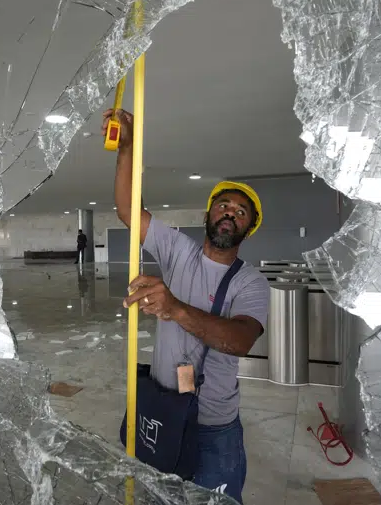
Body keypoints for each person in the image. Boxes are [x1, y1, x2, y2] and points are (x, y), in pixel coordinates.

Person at [103, 108, 269, 503]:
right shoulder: (178, 250)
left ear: (248, 228)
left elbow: (241, 339)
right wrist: (126, 149)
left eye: (241, 212)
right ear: (209, 214)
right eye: (224, 205)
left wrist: (174, 308)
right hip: (162, 411)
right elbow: (129, 211)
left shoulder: (250, 282)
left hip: (214, 428)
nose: (231, 212)